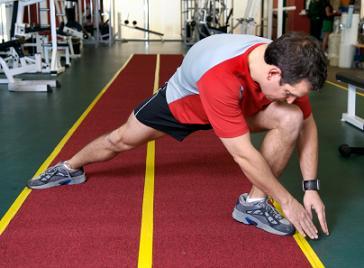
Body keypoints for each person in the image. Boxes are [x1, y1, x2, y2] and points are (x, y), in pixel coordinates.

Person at [28, 32, 329, 239]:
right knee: (119, 139)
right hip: (185, 105)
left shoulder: (288, 64)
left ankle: (252, 206)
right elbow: (242, 154)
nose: (291, 98)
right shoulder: (221, 76)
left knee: (291, 118)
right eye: (289, 93)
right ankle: (69, 167)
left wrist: (310, 186)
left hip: (240, 103)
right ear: (273, 74)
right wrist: (287, 201)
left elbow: (308, 122)